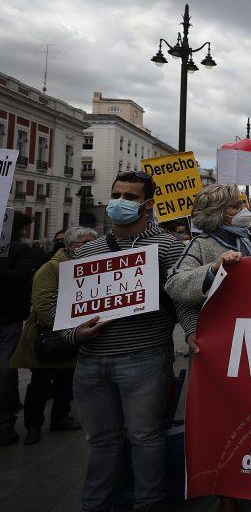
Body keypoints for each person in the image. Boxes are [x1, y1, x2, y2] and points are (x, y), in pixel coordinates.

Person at [58, 170, 201, 510]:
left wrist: (193, 331)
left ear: (148, 204)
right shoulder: (88, 249)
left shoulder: (166, 246)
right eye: (117, 194)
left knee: (144, 437)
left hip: (145, 358)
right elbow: (65, 307)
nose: (121, 202)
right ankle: (95, 504)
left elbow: (180, 296)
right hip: (90, 361)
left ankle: (147, 503)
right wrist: (73, 334)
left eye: (131, 197)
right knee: (100, 441)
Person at [10, 226, 97, 444]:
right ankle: (33, 425)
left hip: (72, 335)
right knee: (40, 383)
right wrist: (67, 324)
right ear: (70, 246)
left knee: (65, 379)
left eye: (91, 243)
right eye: (85, 243)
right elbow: (42, 304)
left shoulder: (88, 266)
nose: (90, 248)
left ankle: (60, 417)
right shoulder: (51, 268)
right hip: (48, 335)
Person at [166, 185, 251, 310]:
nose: (244, 209)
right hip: (226, 325)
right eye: (236, 206)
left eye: (242, 204)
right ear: (216, 213)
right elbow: (174, 284)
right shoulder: (200, 244)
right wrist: (213, 269)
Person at [0, 213, 41, 446]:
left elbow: (22, 277)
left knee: (5, 371)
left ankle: (5, 421)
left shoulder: (19, 251)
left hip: (8, 320)